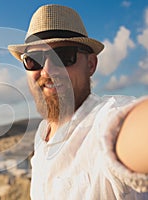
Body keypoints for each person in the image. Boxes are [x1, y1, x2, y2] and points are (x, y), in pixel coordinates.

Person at [8, 4, 148, 200]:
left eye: (63, 56)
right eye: (34, 59)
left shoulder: (105, 124)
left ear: (90, 64)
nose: (47, 71)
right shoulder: (42, 137)